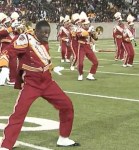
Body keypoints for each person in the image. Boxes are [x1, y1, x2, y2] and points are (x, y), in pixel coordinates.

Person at [0, 20, 80, 150]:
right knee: (19, 113)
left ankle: (64, 138)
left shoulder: (42, 41)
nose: (46, 35)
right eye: (43, 33)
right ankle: (6, 145)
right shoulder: (25, 39)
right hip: (31, 83)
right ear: (36, 31)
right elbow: (8, 52)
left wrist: (52, 68)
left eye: (48, 33)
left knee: (67, 105)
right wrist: (4, 66)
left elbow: (44, 58)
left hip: (47, 81)